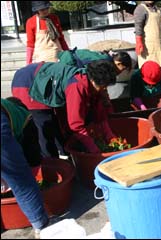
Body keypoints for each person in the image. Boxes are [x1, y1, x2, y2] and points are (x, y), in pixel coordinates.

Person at [11, 60, 118, 155]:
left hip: (46, 83)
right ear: (94, 81)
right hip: (27, 85)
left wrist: (110, 136)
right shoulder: (77, 86)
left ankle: (65, 155)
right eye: (104, 87)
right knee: (45, 128)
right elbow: (76, 125)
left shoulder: (92, 83)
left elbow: (98, 114)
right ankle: (53, 166)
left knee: (60, 128)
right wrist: (95, 151)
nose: (104, 89)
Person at [1, 97, 54, 238]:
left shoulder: (11, 112)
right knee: (21, 181)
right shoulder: (26, 117)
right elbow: (32, 157)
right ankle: (41, 226)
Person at [134, 1, 161, 68]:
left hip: (158, 47)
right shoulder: (140, 9)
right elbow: (138, 27)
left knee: (159, 69)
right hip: (147, 47)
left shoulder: (157, 10)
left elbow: (160, 28)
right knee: (148, 70)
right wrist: (138, 41)